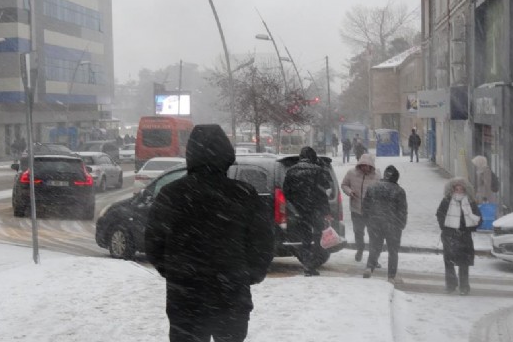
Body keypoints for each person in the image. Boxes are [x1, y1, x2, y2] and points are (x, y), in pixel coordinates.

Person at [145, 124, 274, 342]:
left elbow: (153, 243)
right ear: (227, 154)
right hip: (231, 294)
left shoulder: (171, 194)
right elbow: (263, 243)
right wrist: (247, 274)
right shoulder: (244, 194)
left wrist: (175, 271)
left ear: (190, 154)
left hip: (186, 297)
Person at [283, 146, 332, 276]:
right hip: (316, 209)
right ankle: (314, 262)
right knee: (318, 237)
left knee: (305, 238)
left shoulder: (291, 171)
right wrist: (326, 210)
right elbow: (325, 189)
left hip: (299, 209)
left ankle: (307, 264)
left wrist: (295, 204)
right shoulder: (318, 170)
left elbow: (286, 191)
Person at [435, 177, 482, 295]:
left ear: (466, 189)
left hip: (464, 236)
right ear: (452, 189)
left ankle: (464, 287)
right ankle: (451, 285)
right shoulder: (446, 201)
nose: (459, 190)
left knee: (463, 263)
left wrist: (468, 228)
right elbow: (440, 215)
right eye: (456, 188)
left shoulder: (470, 202)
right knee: (449, 262)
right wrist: (446, 228)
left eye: (461, 188)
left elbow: (478, 218)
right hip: (449, 236)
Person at [362, 165, 407, 283]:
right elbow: (402, 210)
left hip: (374, 223)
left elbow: (365, 206)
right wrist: (401, 224)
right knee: (393, 251)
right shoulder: (399, 191)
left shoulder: (372, 187)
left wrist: (367, 221)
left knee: (374, 247)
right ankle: (391, 276)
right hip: (393, 225)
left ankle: (369, 268)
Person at [341, 154, 381, 262]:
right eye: (362, 165)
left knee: (373, 235)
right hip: (356, 209)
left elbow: (381, 190)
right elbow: (344, 184)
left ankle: (373, 260)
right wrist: (349, 192)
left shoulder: (377, 176)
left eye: (366, 166)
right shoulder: (351, 173)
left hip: (371, 211)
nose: (364, 168)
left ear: (371, 166)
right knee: (358, 232)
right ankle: (360, 248)